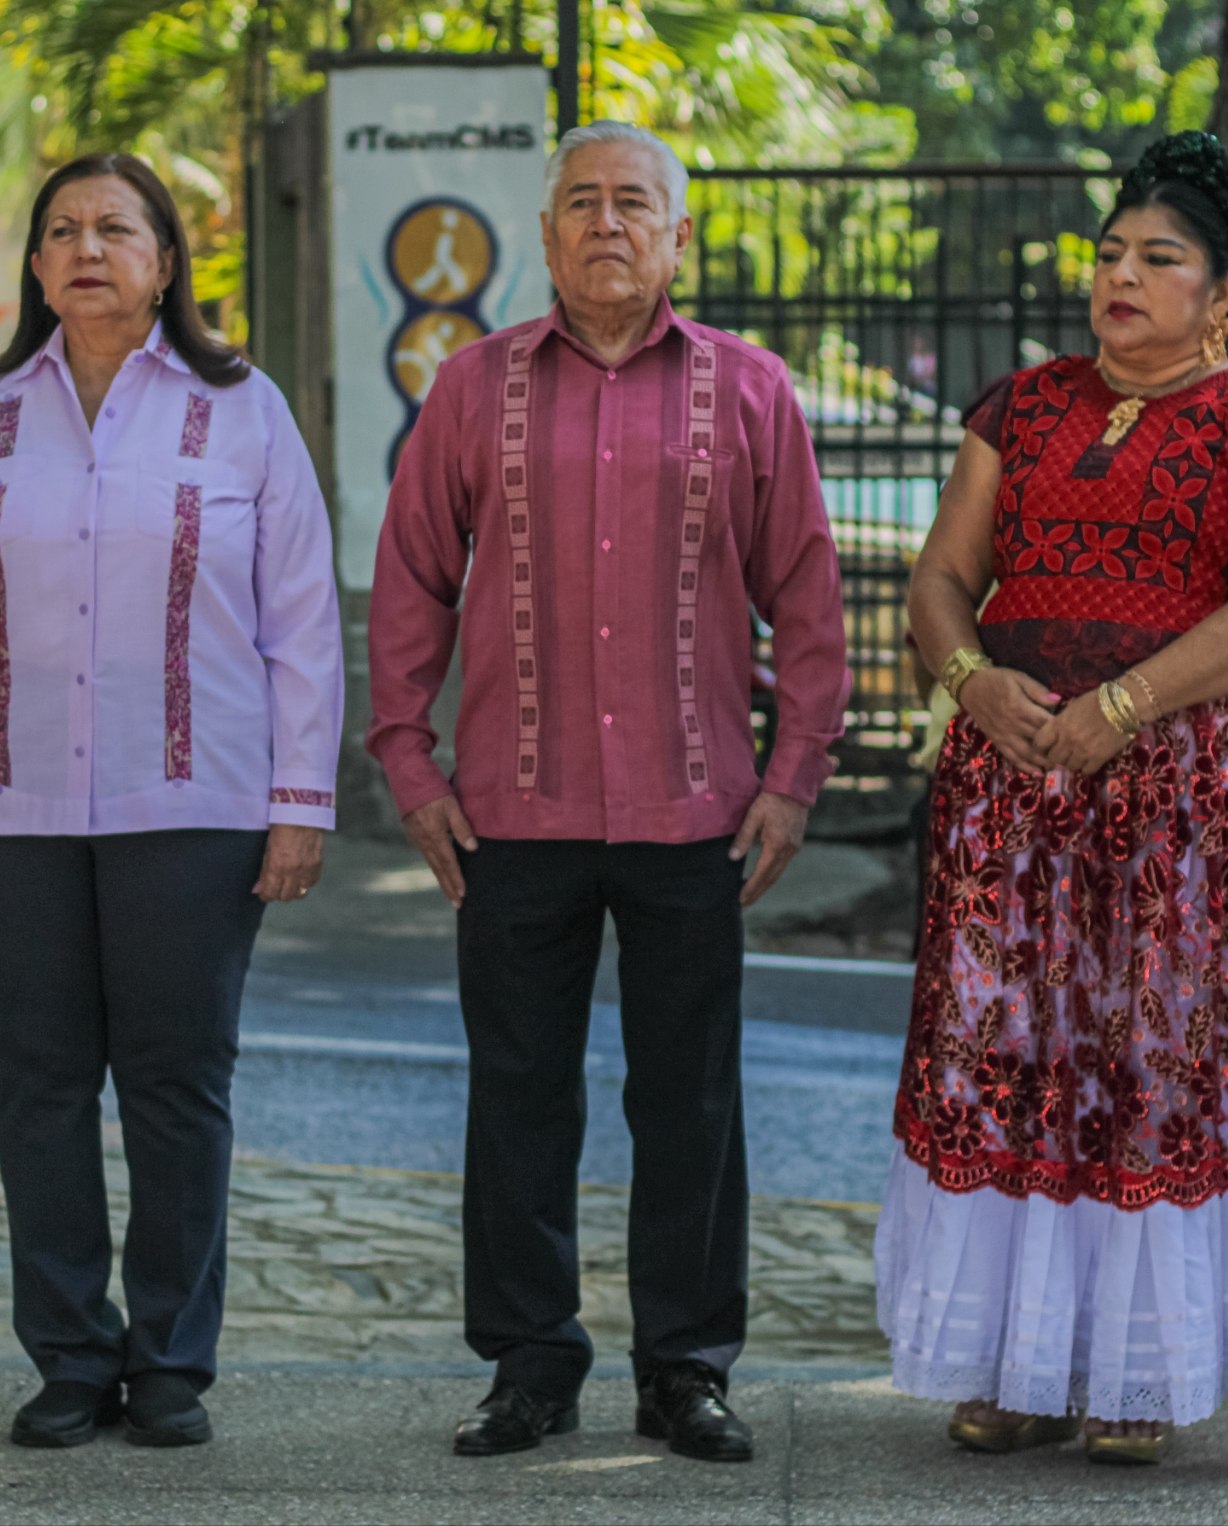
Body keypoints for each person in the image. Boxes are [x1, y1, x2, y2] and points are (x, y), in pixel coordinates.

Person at [882, 131, 1228, 1465]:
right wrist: (972, 678)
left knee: (1155, 1067)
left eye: (1158, 258)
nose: (1121, 273)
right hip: (1019, 784)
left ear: (1222, 291)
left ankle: (1141, 1371)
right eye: (1110, 252)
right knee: (1019, 1066)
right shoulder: (1020, 405)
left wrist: (1121, 710)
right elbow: (939, 577)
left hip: (1196, 796)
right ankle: (1018, 1364)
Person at [367, 121, 850, 1465]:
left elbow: (807, 599)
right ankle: (530, 1363)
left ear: (678, 234)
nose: (605, 223)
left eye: (633, 202)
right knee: (520, 1091)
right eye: (579, 201)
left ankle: (685, 1364)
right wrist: (410, 761)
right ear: (546, 231)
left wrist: (794, 779)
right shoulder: (472, 388)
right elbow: (411, 577)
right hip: (511, 814)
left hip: (697, 815)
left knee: (688, 1097)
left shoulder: (751, 393)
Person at [0, 154, 341, 1450]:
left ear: (165, 259)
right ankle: (71, 1354)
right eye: (63, 230)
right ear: (34, 265)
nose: (89, 248)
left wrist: (301, 796)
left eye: (116, 229)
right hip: (3, 809)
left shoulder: (240, 410)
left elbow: (302, 618)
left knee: (177, 1086)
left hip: (197, 805)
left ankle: (173, 1357)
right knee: (38, 1086)